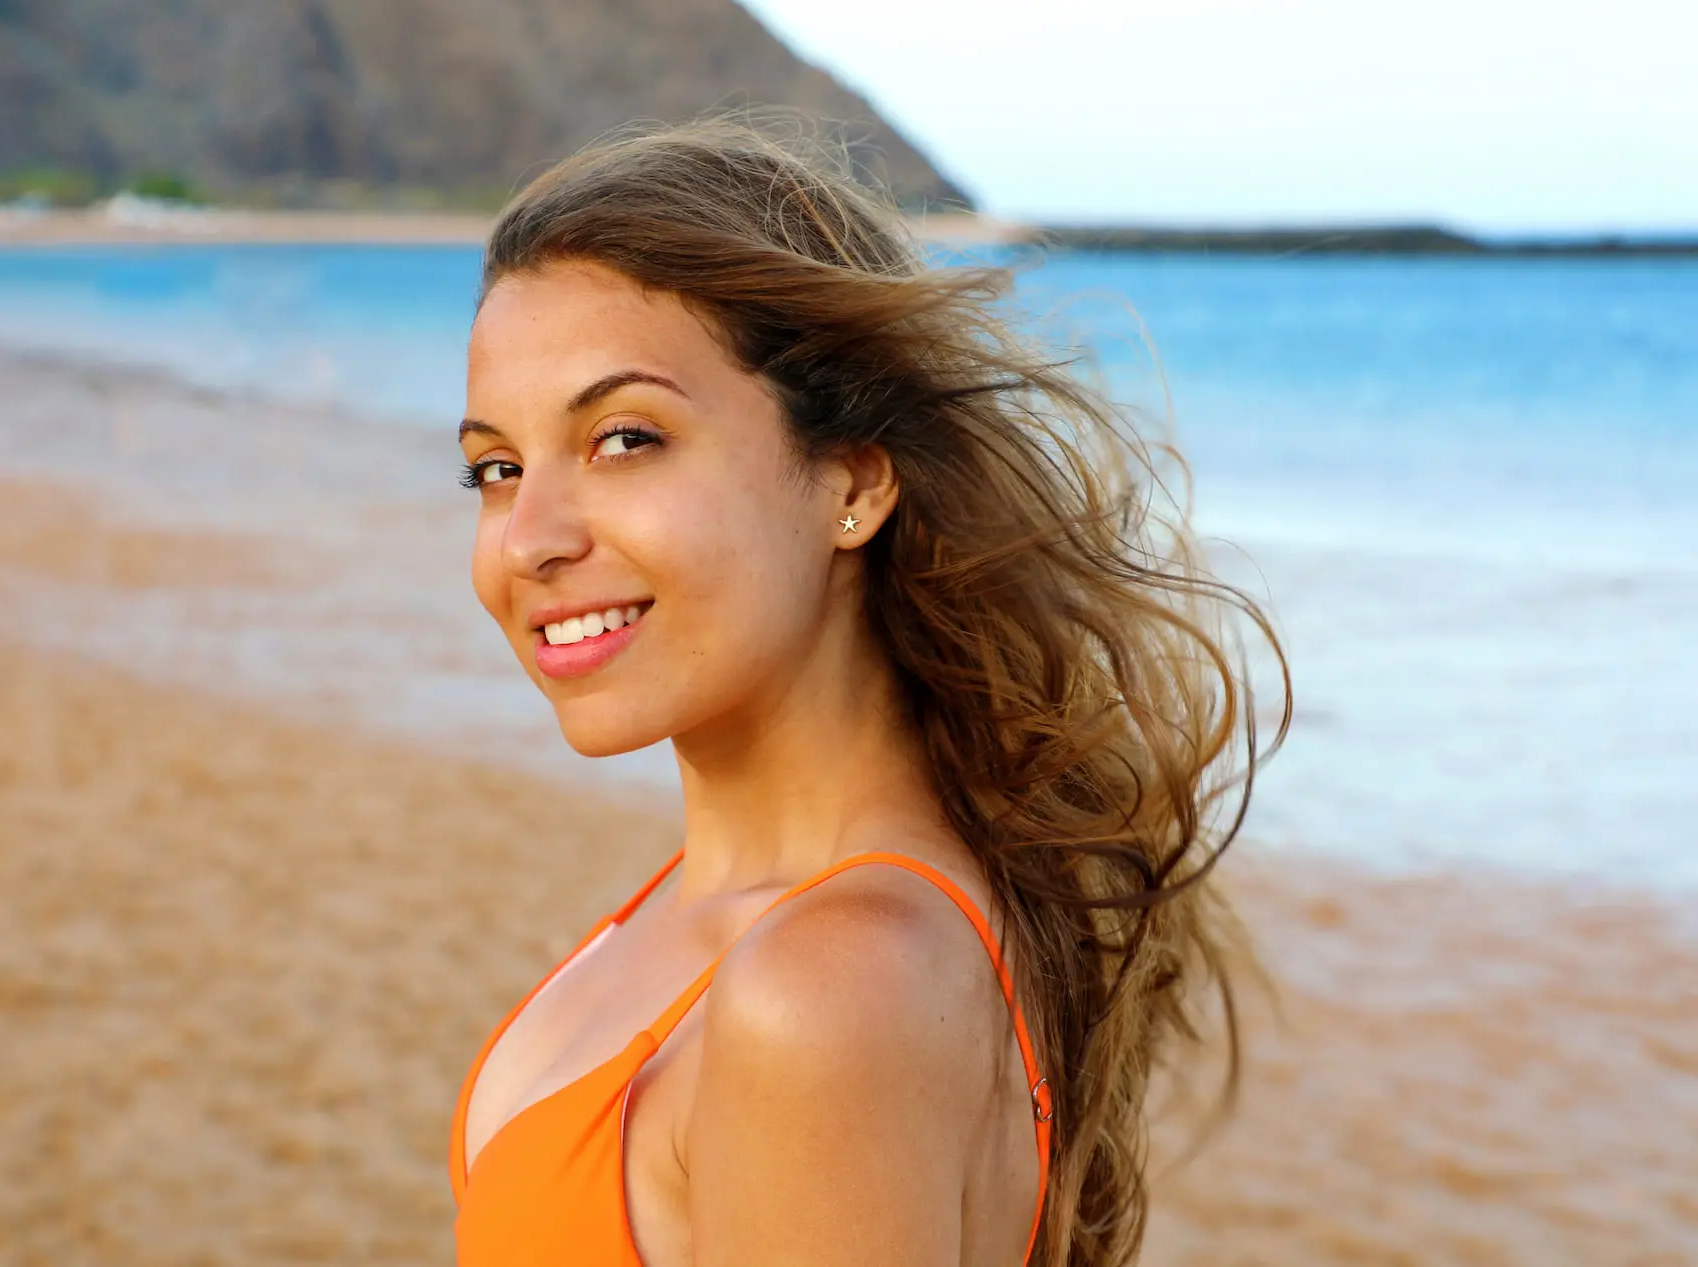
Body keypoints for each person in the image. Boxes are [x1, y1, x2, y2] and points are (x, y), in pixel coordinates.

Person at [447, 120, 1287, 1267]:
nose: (528, 539)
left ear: (850, 481)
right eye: (496, 468)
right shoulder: (749, 917)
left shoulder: (830, 985)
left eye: (625, 438)